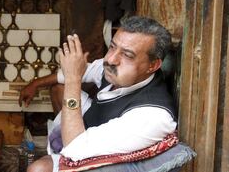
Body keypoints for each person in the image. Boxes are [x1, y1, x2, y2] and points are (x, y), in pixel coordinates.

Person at [18, 16, 177, 172]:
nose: (111, 59)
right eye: (113, 47)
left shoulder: (152, 115)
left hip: (90, 154)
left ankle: (59, 148)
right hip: (89, 129)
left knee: (37, 169)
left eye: (128, 55)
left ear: (153, 65)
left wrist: (73, 79)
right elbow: (82, 70)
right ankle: (63, 137)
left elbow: (75, 151)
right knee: (60, 87)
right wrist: (36, 83)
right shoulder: (120, 70)